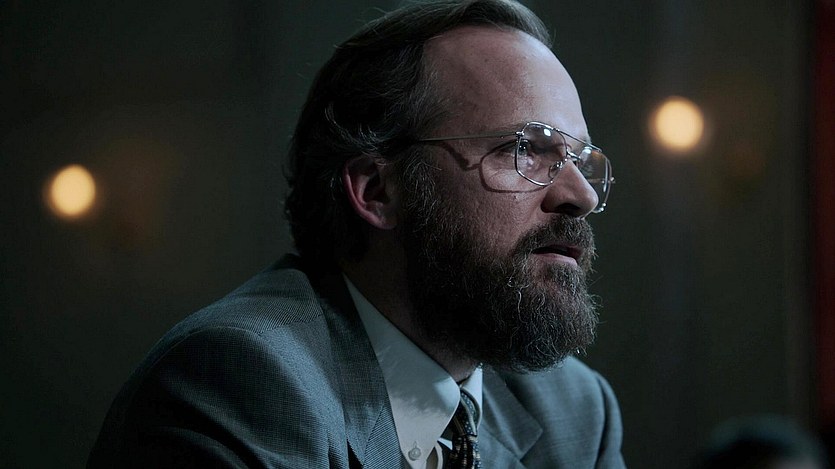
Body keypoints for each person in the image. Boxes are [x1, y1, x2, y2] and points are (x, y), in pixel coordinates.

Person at [88, 0, 624, 467]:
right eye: (525, 150)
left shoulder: (574, 410)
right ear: (376, 191)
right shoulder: (241, 382)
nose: (580, 195)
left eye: (580, 160)